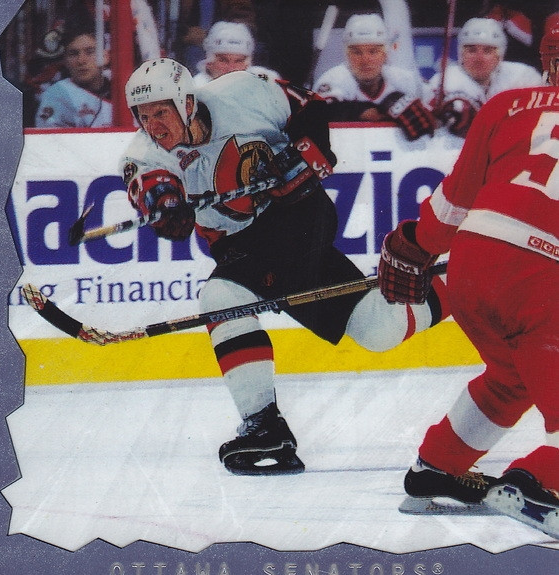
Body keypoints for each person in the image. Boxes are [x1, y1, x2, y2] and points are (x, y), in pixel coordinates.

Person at [119, 58, 448, 476]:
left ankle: (264, 427)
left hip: (299, 216)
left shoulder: (242, 91)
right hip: (243, 247)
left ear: (186, 103)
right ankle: (464, 287)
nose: (153, 126)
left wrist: (307, 153)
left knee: (221, 295)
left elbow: (310, 106)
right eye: (143, 116)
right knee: (378, 330)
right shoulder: (141, 157)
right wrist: (167, 209)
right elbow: (157, 196)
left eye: (161, 113)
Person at [378, 14, 559, 538]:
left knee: (511, 378)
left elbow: (451, 207)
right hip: (543, 276)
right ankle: (535, 484)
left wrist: (411, 244)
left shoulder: (505, 104)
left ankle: (437, 468)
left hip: (473, 264)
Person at [313, 13, 434, 141]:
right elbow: (320, 112)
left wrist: (444, 115)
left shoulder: (405, 80)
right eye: (357, 52)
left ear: (385, 54)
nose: (365, 60)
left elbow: (436, 108)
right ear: (347, 55)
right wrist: (360, 111)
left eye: (373, 51)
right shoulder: (334, 79)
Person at [428, 17, 543, 137]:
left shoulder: (521, 78)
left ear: (499, 56)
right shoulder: (445, 81)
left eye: (487, 51)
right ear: (461, 54)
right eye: (472, 50)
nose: (479, 58)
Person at [35, 28, 112, 128]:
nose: (81, 60)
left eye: (89, 52)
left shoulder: (123, 86)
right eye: (73, 54)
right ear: (65, 61)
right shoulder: (58, 94)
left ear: (105, 56)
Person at [191, 21, 281, 86]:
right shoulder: (196, 86)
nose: (231, 69)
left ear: (247, 64)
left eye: (238, 61)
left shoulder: (265, 79)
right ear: (209, 62)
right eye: (223, 60)